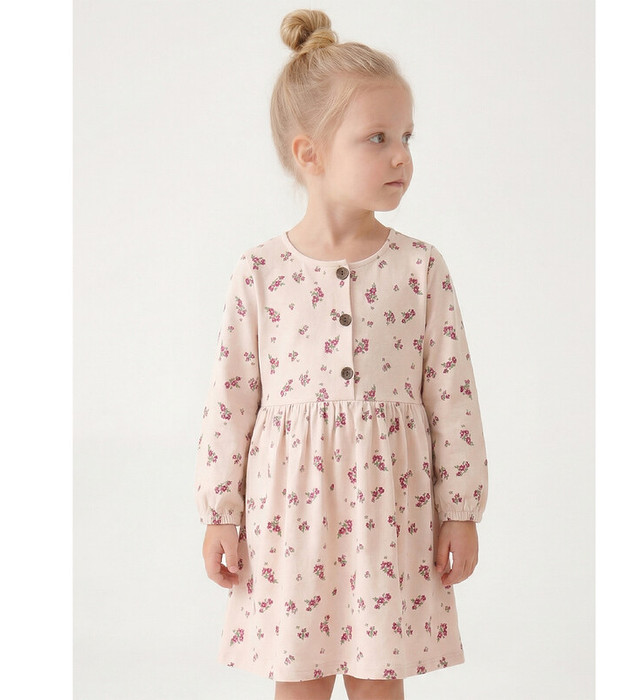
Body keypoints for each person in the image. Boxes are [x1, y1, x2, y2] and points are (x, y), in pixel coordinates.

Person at [195, 9, 489, 700]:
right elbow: (231, 398)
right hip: (288, 517)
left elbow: (452, 397)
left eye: (407, 137)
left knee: (379, 678)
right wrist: (219, 512)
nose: (401, 156)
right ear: (311, 153)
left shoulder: (420, 268)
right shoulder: (261, 272)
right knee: (299, 677)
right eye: (378, 138)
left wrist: (460, 508)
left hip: (392, 513)